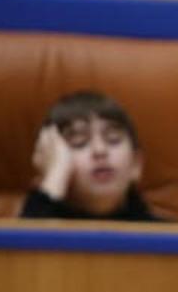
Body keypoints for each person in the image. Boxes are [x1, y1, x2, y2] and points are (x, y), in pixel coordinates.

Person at [23, 90, 161, 221]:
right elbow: (23, 244)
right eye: (79, 141)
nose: (99, 150)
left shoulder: (169, 236)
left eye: (113, 138)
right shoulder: (35, 216)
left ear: (136, 164)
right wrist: (54, 177)